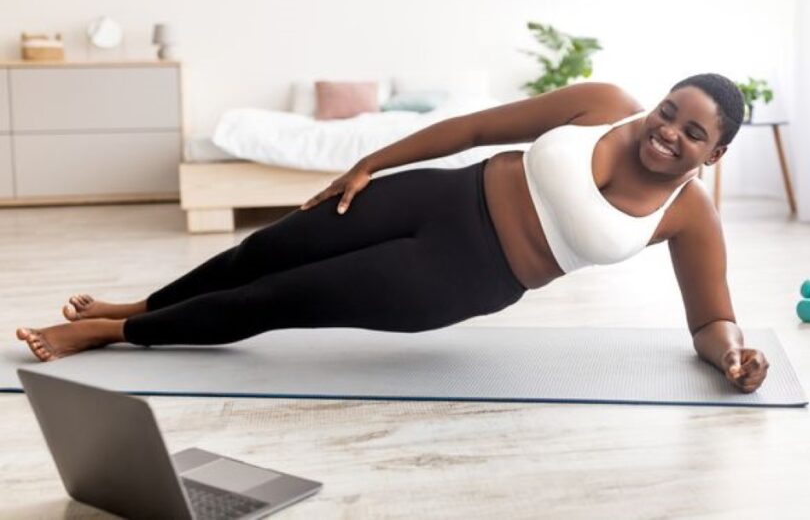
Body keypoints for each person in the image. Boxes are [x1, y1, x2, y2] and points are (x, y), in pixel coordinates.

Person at [16, 73, 769, 393]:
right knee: (269, 247)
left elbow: (710, 319)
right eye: (671, 110)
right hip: (438, 196)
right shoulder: (603, 101)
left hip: (466, 275)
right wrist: (368, 164)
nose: (668, 131)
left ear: (717, 152)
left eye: (693, 132)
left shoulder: (689, 215)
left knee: (283, 296)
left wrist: (734, 355)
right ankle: (139, 306)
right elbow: (475, 126)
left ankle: (112, 335)